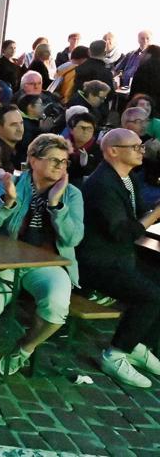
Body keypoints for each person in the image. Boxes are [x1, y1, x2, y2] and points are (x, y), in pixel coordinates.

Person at [0, 134, 82, 378]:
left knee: (57, 305)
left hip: (49, 263)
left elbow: (72, 239)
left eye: (64, 162)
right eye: (53, 160)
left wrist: (55, 204)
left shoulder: (71, 194)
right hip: (9, 258)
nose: (59, 166)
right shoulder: (13, 183)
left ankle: (24, 349)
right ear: (33, 159)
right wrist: (8, 201)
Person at [75, 128, 160, 387]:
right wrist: (155, 214)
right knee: (150, 295)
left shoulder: (127, 177)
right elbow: (122, 231)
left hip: (119, 257)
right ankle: (116, 354)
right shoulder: (103, 184)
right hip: (97, 262)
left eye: (141, 147)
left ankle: (138, 345)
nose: (141, 151)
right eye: (135, 147)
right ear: (113, 151)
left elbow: (134, 216)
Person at [64, 112, 102, 186]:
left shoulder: (99, 151)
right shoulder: (62, 145)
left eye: (90, 128)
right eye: (82, 128)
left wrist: (84, 166)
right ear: (72, 130)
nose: (86, 132)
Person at [0, 104, 24, 173]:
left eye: (21, 123)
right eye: (13, 125)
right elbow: (11, 176)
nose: (20, 129)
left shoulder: (18, 147)